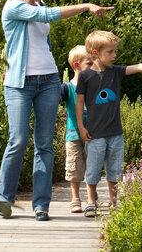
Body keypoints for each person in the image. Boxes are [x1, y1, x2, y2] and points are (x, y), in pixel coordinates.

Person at [0, 0, 113, 222]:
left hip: (48, 81)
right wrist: (85, 6)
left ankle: (41, 205)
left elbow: (37, 42)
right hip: (19, 84)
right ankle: (5, 198)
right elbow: (43, 18)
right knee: (18, 140)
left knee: (45, 144)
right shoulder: (13, 7)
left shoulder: (42, 4)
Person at [76, 30, 142, 218]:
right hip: (94, 134)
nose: (115, 55)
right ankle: (91, 202)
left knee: (115, 171)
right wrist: (81, 127)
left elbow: (138, 67)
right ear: (95, 53)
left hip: (115, 133)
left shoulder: (115, 72)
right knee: (93, 170)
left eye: (115, 51)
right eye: (110, 52)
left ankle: (114, 202)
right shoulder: (85, 76)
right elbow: (79, 102)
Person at [60, 45, 93, 214]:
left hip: (92, 133)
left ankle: (90, 200)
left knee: (91, 166)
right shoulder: (67, 88)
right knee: (74, 166)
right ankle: (75, 198)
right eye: (89, 63)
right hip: (73, 133)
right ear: (76, 65)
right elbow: (54, 97)